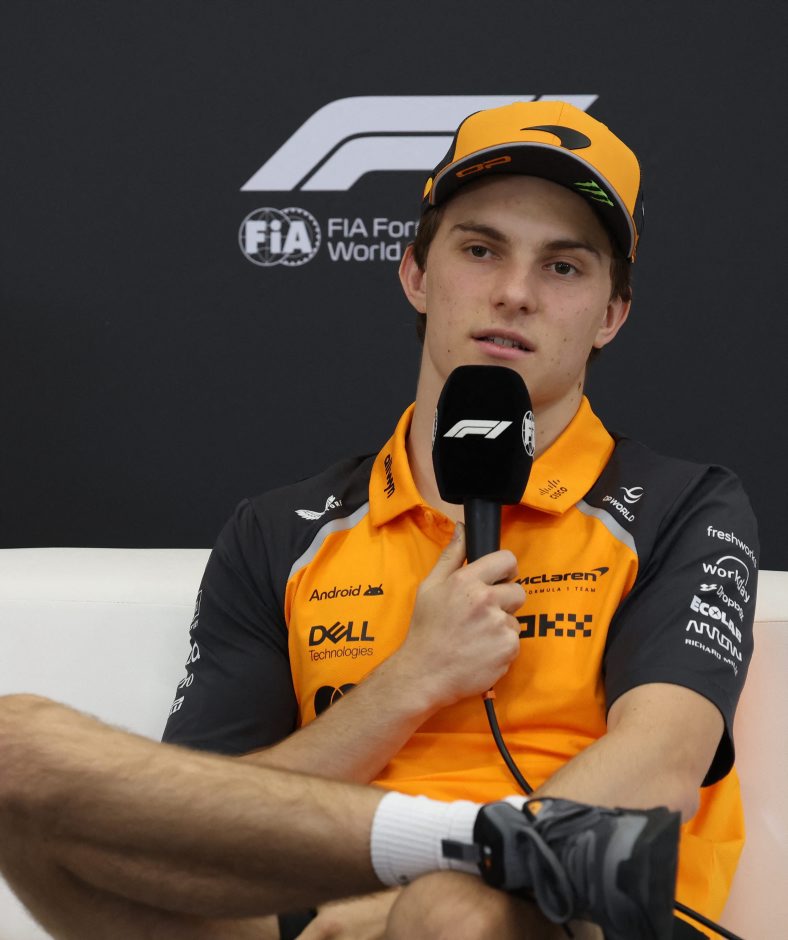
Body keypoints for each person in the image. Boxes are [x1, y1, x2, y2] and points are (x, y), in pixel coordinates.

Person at [159, 100, 759, 939]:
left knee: (451, 914)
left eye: (563, 267)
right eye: (481, 251)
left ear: (610, 315)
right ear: (415, 273)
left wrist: (412, 905)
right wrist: (412, 681)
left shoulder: (681, 506)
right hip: (328, 915)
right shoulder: (279, 532)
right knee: (32, 755)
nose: (514, 293)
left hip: (570, 918)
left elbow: (660, 767)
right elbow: (189, 827)